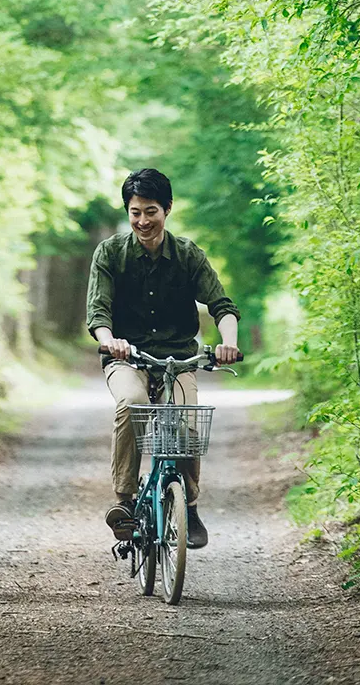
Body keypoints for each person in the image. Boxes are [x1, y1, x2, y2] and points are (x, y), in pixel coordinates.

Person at [87, 168, 240, 549]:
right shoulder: (109, 253)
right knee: (132, 402)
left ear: (167, 209)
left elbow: (222, 305)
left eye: (151, 211)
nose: (143, 221)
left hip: (179, 360)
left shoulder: (188, 255)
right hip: (128, 358)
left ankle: (188, 504)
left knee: (187, 428)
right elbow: (98, 313)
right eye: (135, 212)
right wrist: (110, 342)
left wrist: (229, 343)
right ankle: (123, 501)